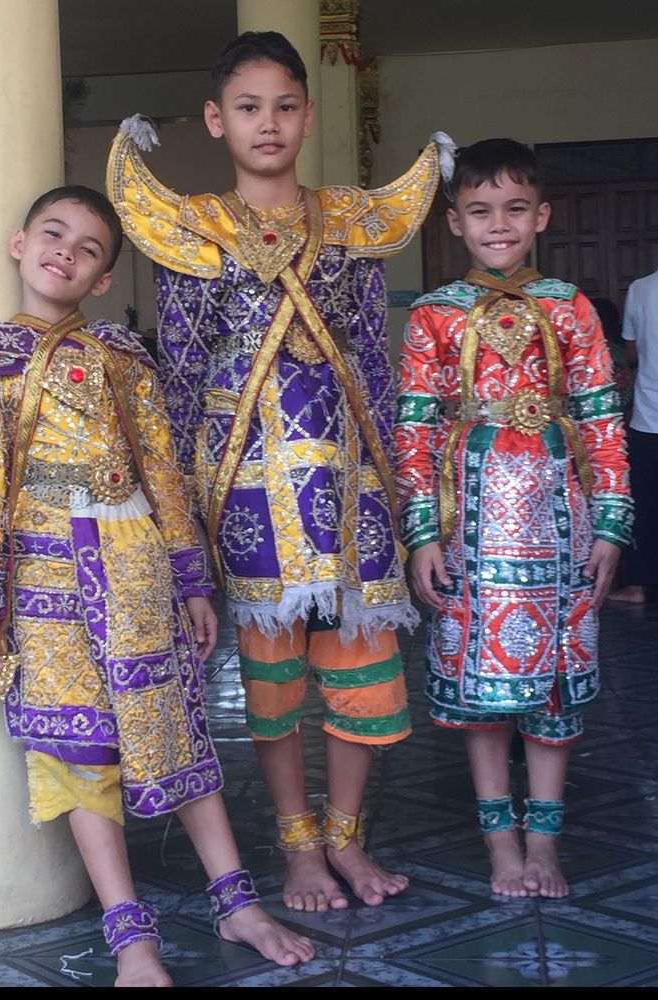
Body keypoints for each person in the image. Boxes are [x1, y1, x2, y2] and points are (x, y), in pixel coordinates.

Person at [0, 185, 314, 986]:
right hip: (45, 579)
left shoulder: (122, 359)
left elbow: (161, 471)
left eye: (89, 249)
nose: (67, 251)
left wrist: (191, 579)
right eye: (54, 234)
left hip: (137, 572)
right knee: (76, 750)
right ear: (19, 244)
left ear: (100, 281)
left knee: (174, 734)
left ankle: (237, 902)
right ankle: (130, 938)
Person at [106, 31, 454, 913]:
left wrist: (408, 497)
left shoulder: (346, 222)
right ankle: (296, 848)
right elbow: (181, 374)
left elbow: (371, 362)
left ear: (307, 117)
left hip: (349, 482)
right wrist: (180, 511)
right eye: (250, 108)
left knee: (360, 665)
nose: (270, 123)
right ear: (218, 121)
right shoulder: (192, 230)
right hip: (246, 483)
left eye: (286, 106)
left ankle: (346, 837)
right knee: (271, 678)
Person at [394, 139, 632, 899]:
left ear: (541, 215)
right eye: (479, 210)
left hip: (560, 521)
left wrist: (610, 525)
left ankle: (545, 842)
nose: (498, 224)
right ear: (455, 221)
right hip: (470, 527)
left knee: (554, 688)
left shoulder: (569, 307)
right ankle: (501, 844)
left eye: (514, 209)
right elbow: (414, 432)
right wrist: (422, 533)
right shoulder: (433, 315)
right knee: (482, 693)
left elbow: (600, 420)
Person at [605, 271, 658, 605]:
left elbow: (634, 354)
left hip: (650, 417)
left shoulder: (641, 288)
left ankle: (637, 585)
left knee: (647, 505)